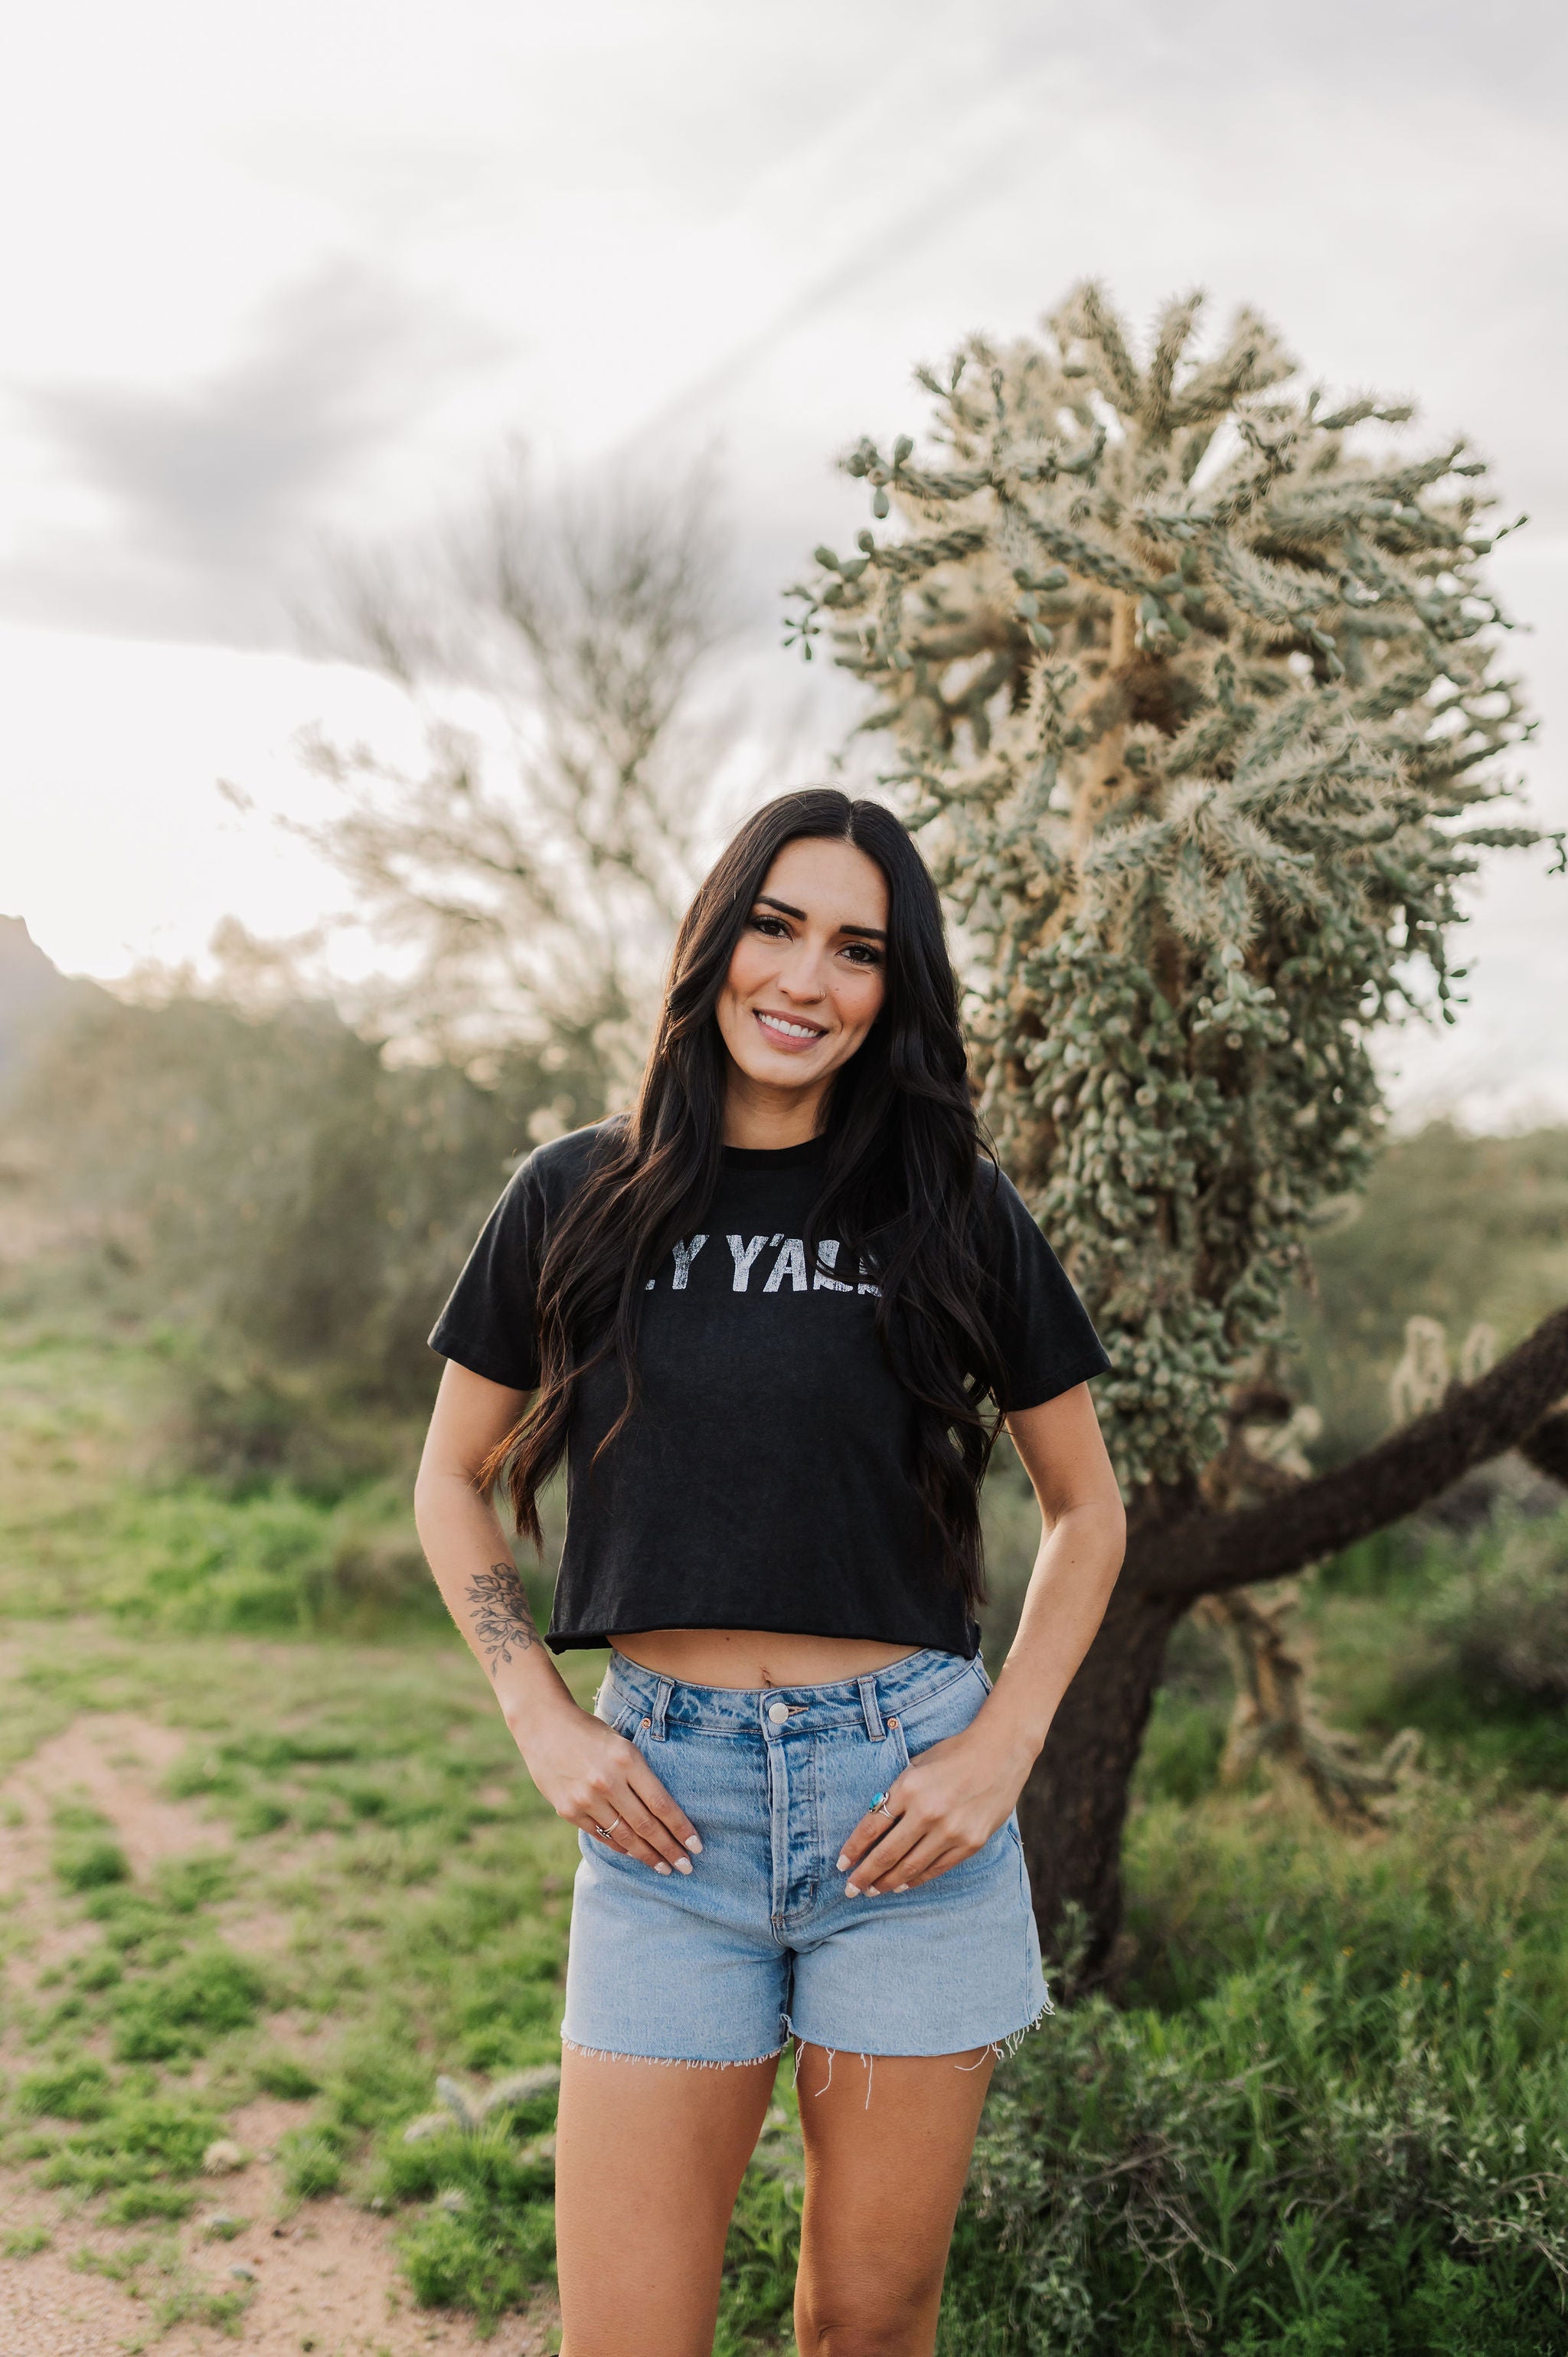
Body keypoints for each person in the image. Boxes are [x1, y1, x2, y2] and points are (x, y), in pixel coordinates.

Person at [414, 788, 1125, 2357]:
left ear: (894, 991)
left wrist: (999, 1751)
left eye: (857, 950)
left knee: (868, 2325)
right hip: (667, 1820)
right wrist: (545, 1719)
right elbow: (449, 1482)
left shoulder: (946, 1207)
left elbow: (1088, 1510)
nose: (806, 979)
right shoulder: (575, 1193)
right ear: (716, 940)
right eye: (776, 926)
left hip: (906, 1815)